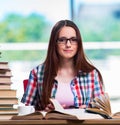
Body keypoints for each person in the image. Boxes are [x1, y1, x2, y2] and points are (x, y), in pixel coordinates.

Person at [21, 20, 105, 111]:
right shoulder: (37, 73)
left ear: (79, 43)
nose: (68, 45)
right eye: (62, 40)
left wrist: (87, 110)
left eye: (73, 40)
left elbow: (102, 111)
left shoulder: (92, 74)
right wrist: (44, 111)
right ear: (54, 43)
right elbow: (27, 112)